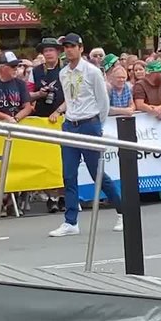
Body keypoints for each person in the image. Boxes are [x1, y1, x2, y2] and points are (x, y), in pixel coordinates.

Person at [48, 33, 124, 238]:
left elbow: (103, 101)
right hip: (70, 124)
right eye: (66, 47)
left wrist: (98, 125)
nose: (68, 50)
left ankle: (122, 211)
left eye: (72, 46)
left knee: (96, 173)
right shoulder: (63, 73)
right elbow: (70, 98)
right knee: (69, 174)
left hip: (89, 123)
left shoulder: (92, 72)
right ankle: (70, 221)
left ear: (81, 48)